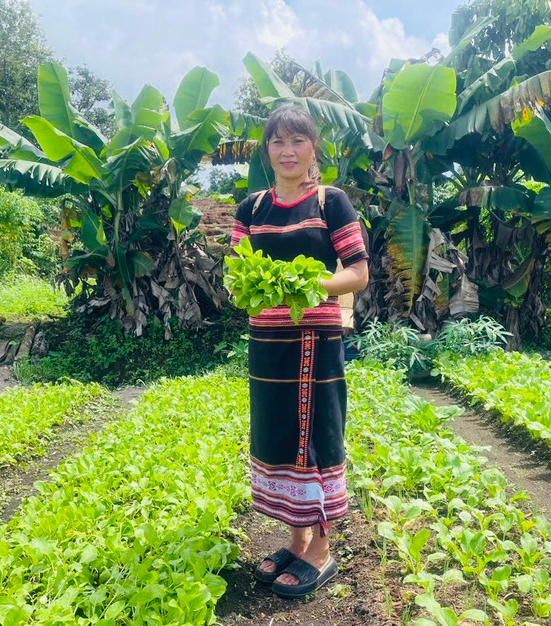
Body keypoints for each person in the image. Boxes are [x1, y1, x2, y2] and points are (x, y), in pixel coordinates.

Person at [229, 105, 369, 599]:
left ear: (313, 148)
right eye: (277, 142)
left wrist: (309, 284)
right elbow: (236, 276)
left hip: (316, 340)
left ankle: (322, 550)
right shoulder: (250, 209)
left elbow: (357, 272)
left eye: (298, 141)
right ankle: (297, 539)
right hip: (267, 341)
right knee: (280, 433)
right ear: (266, 151)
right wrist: (256, 289)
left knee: (317, 433)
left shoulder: (332, 203)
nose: (287, 151)